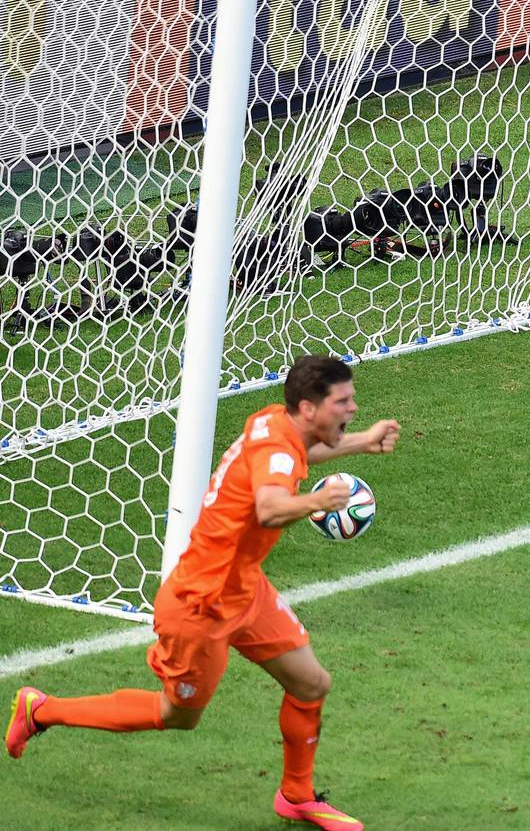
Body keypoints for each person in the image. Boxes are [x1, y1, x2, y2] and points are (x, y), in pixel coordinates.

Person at [6, 355, 400, 831]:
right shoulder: (277, 448)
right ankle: (42, 709)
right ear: (309, 408)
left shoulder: (275, 423)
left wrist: (360, 443)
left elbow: (300, 455)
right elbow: (271, 508)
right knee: (179, 714)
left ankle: (296, 796)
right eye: (344, 402)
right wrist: (317, 501)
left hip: (244, 589)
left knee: (311, 684)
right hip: (200, 606)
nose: (353, 408)